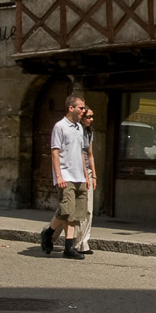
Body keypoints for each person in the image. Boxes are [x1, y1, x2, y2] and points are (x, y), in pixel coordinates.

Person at [42, 95, 90, 259]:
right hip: (66, 175)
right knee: (66, 210)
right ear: (71, 108)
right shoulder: (60, 126)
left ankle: (68, 247)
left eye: (84, 108)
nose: (83, 111)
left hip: (79, 176)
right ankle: (48, 233)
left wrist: (86, 175)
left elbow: (82, 154)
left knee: (77, 213)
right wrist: (59, 176)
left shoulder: (79, 127)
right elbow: (55, 152)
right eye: (81, 108)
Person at [74, 103, 97, 255]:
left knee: (89, 209)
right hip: (77, 172)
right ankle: (75, 242)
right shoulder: (76, 131)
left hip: (87, 171)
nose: (91, 119)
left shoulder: (89, 132)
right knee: (76, 210)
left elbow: (90, 154)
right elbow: (79, 154)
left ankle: (84, 242)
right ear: (82, 118)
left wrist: (93, 175)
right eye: (89, 117)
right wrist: (84, 174)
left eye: (92, 116)